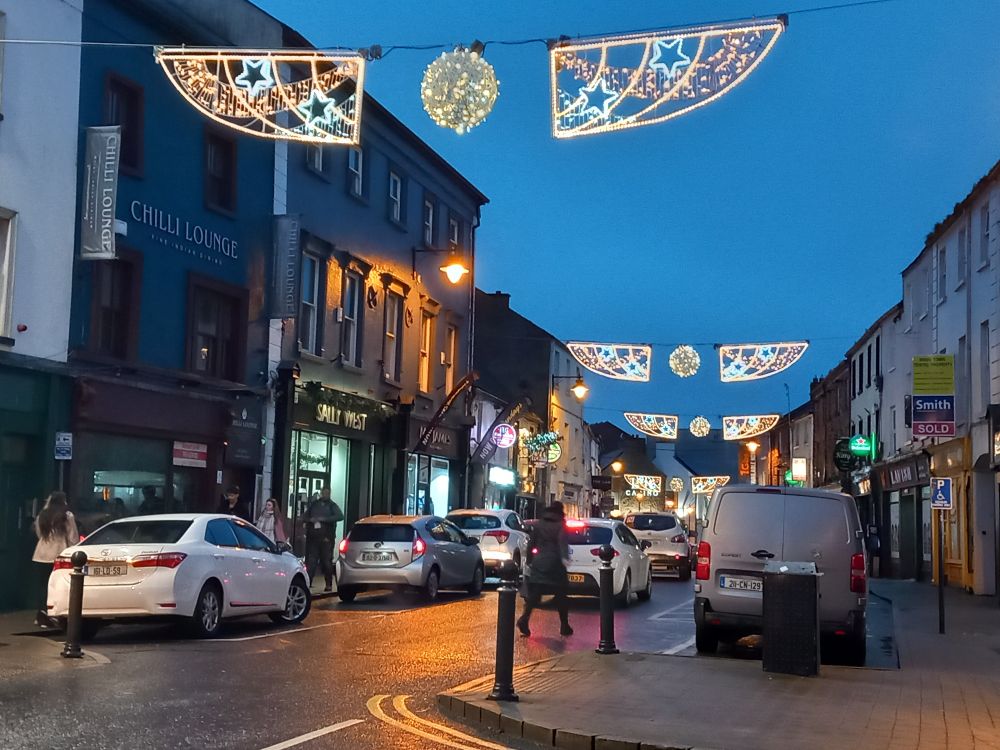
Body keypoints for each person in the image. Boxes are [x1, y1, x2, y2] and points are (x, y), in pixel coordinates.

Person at [517, 501, 572, 637]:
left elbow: (531, 543)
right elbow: (562, 542)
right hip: (555, 563)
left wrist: (530, 561)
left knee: (535, 594)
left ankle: (524, 618)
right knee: (561, 595)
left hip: (539, 562)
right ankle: (564, 625)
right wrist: (565, 558)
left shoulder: (539, 524)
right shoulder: (560, 525)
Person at [32, 492, 79, 629]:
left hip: (40, 554)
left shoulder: (42, 515)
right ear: (63, 501)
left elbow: (39, 533)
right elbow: (73, 536)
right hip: (58, 554)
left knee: (43, 587)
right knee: (57, 586)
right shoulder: (67, 516)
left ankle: (41, 615)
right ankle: (55, 615)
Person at [302, 487, 344, 593]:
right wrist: (310, 520)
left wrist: (323, 519)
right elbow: (304, 516)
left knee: (326, 562)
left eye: (327, 493)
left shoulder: (332, 505)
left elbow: (340, 516)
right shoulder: (315, 504)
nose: (325, 494)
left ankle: (329, 584)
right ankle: (308, 583)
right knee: (311, 562)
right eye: (323, 493)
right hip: (313, 537)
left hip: (326, 538)